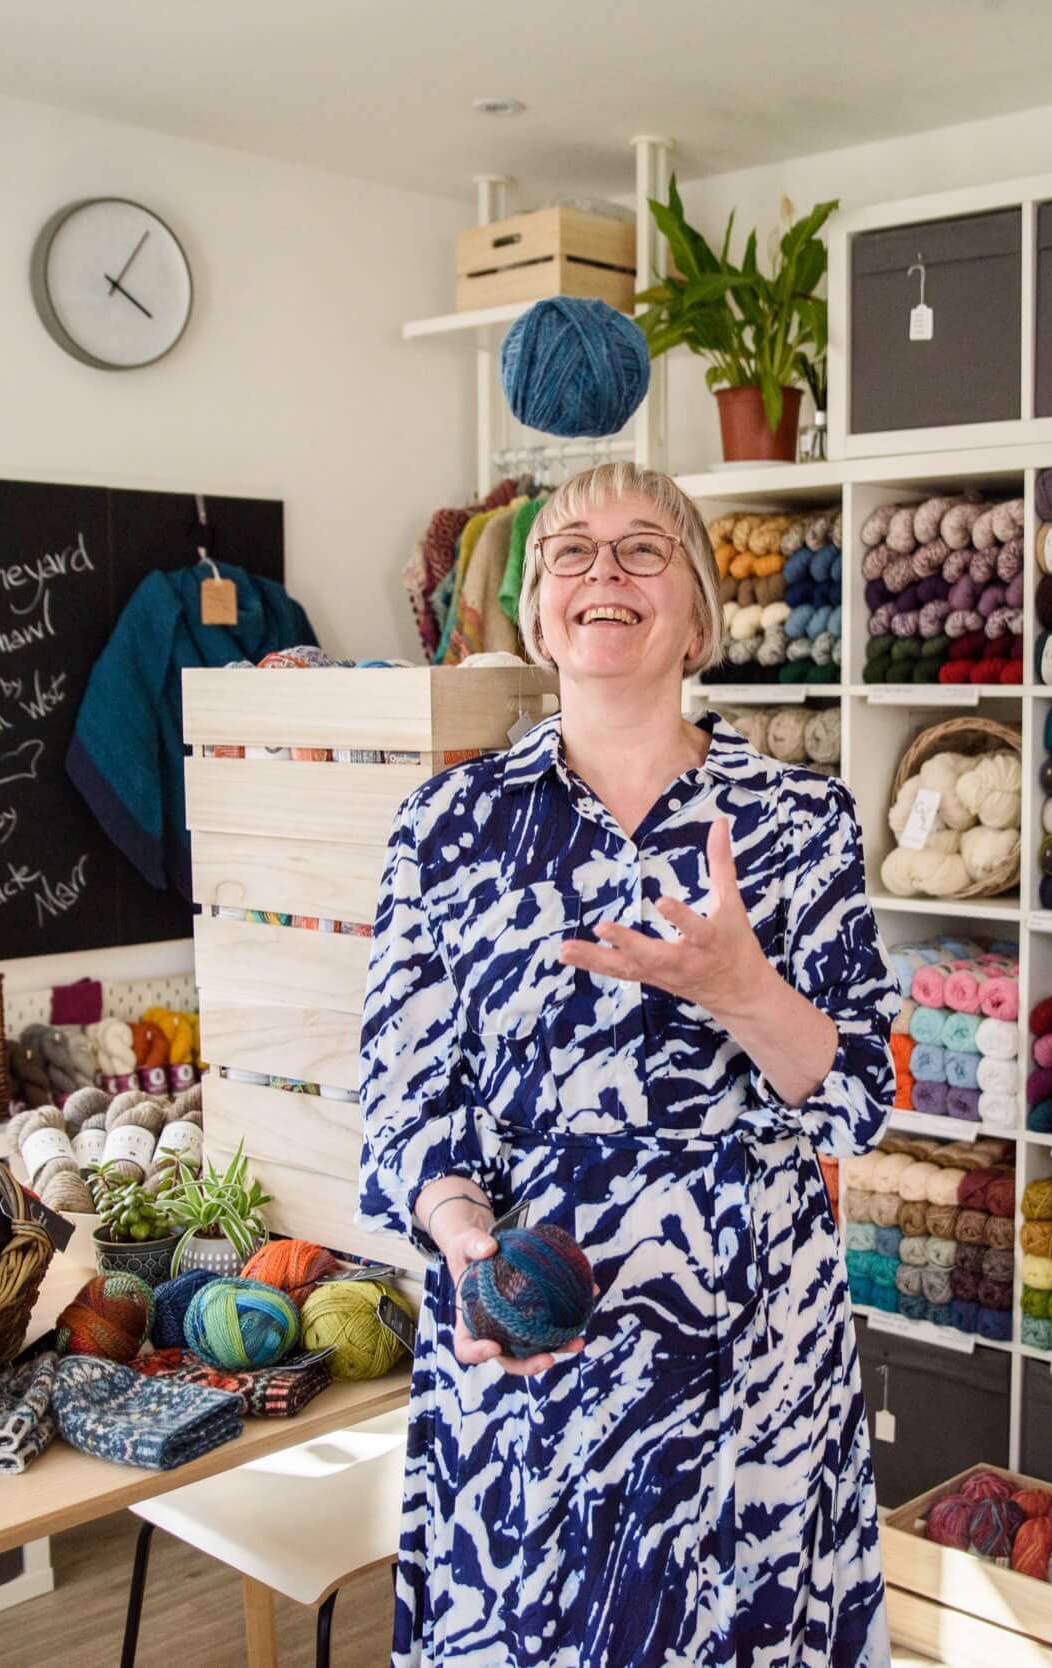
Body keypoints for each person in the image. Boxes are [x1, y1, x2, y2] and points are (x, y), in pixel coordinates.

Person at [361, 462, 897, 1667]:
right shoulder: (446, 826)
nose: (604, 571)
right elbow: (404, 1092)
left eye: (645, 549)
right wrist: (462, 1237)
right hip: (530, 1316)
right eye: (570, 552)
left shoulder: (801, 821)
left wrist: (742, 988)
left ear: (698, 617)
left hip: (748, 1331)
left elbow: (859, 1101)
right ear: (537, 615)